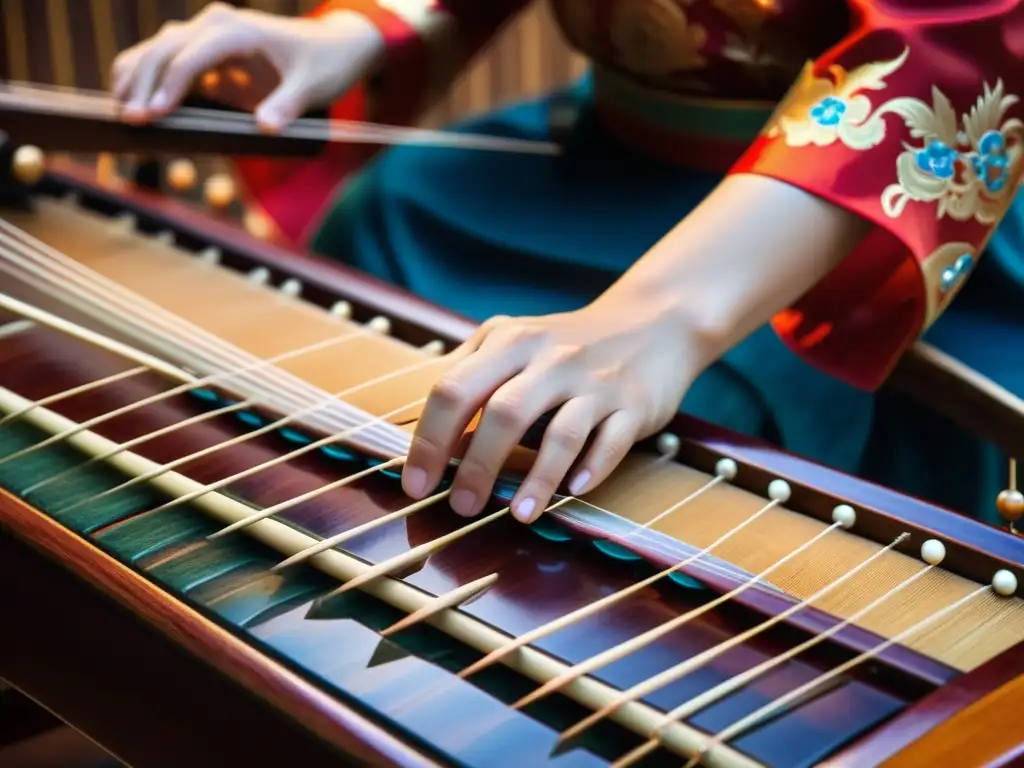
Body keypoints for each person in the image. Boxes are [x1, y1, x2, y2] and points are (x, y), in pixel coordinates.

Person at [112, 0, 1024, 527]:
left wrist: (664, 318)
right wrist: (361, 30)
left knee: (682, 427)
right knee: (387, 213)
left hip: (837, 210)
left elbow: (955, 41)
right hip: (598, 149)